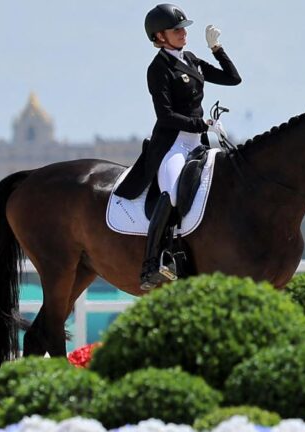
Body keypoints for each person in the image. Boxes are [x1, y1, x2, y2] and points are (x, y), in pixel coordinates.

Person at [114, 3, 242, 290]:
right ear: (160, 36)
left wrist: (217, 49)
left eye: (184, 29)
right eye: (177, 30)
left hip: (199, 144)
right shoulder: (159, 68)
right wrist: (203, 123)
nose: (184, 34)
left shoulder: (192, 60)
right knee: (171, 193)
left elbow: (233, 79)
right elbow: (166, 116)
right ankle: (151, 265)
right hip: (172, 145)